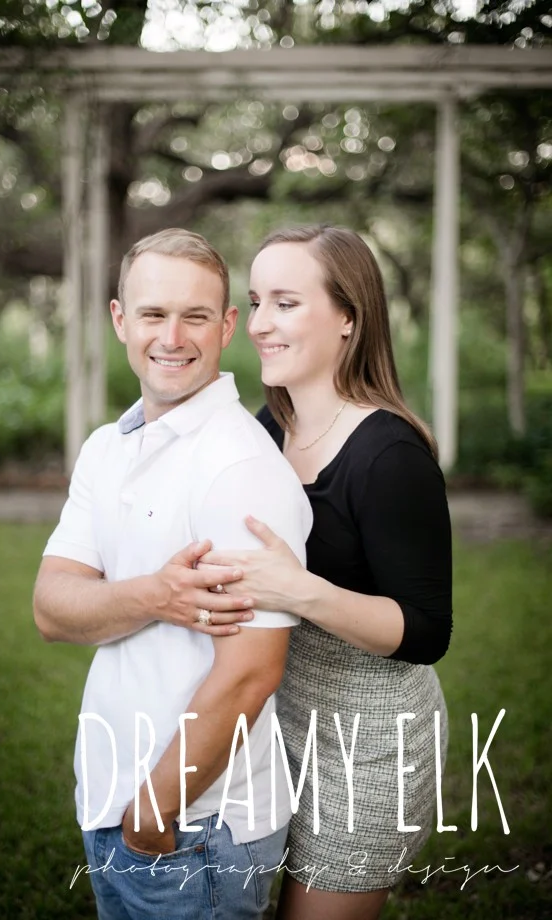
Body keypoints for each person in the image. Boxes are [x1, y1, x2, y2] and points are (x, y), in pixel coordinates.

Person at [33, 228, 312, 920]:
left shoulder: (238, 466)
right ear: (120, 319)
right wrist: (157, 594)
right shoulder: (108, 448)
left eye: (195, 316)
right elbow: (51, 608)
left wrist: (151, 816)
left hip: (195, 827)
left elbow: (252, 671)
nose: (172, 336)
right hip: (118, 804)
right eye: (153, 314)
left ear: (227, 328)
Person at [200, 225, 452, 919]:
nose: (257, 325)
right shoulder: (267, 429)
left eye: (285, 303)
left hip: (370, 742)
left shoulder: (391, 456)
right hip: (272, 725)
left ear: (348, 317)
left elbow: (426, 631)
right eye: (255, 303)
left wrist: (298, 590)